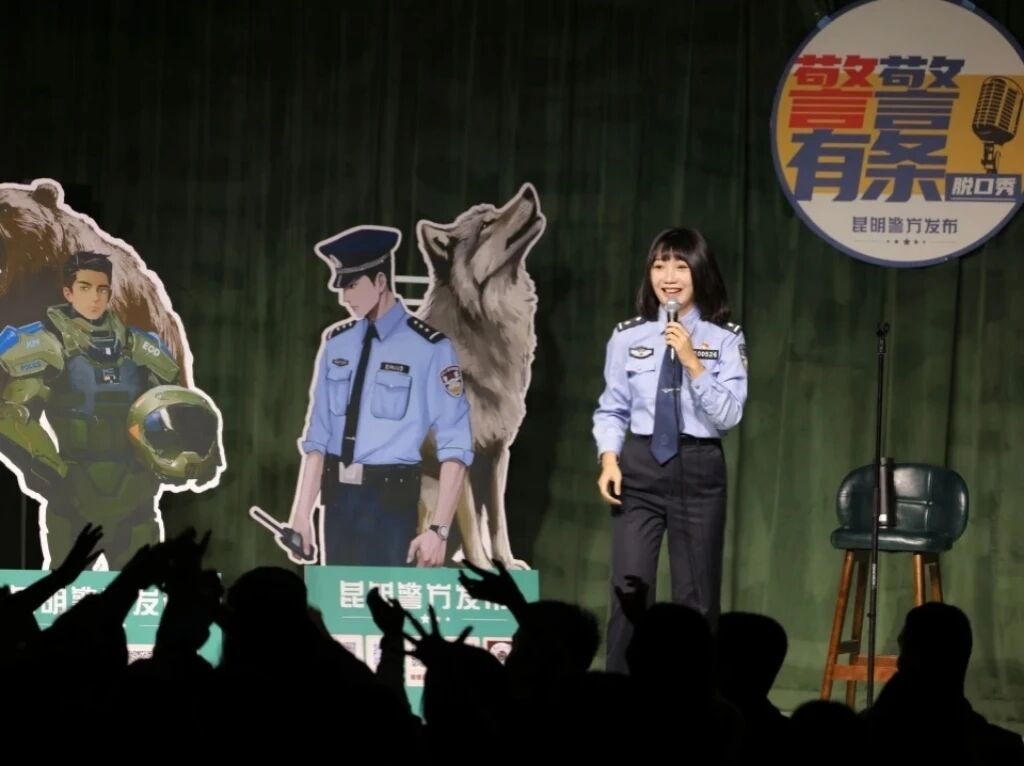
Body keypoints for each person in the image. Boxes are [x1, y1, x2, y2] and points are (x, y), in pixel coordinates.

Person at [0, 251, 222, 569]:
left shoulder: (140, 346)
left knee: (142, 590)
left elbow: (177, 407)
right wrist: (55, 475)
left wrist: (191, 459)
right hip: (74, 491)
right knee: (70, 592)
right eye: (85, 288)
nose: (95, 297)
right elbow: (13, 417)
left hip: (136, 491)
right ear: (68, 292)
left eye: (102, 289)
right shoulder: (48, 346)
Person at [592, 227, 748, 674]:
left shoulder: (725, 339)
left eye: (681, 266)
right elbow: (612, 407)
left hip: (699, 467)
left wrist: (693, 361)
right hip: (639, 466)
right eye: (660, 266)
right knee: (628, 590)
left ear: (700, 272)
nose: (669, 277)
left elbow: (729, 415)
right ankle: (621, 693)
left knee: (696, 599)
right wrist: (609, 459)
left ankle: (690, 696)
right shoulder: (628, 336)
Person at [286, 225, 474, 567]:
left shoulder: (429, 348)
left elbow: (456, 445)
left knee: (385, 600)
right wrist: (302, 515)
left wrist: (439, 530)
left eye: (352, 285)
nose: (345, 297)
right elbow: (318, 437)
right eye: (342, 287)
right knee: (340, 599)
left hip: (391, 504)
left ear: (381, 281)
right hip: (338, 501)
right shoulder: (337, 343)